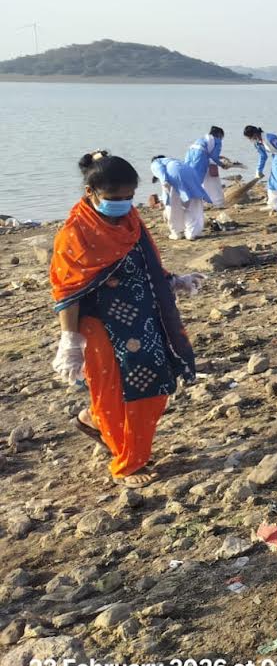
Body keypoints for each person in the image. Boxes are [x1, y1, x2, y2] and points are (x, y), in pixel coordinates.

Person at [50, 152, 203, 487]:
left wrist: (173, 281)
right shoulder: (74, 234)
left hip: (143, 320)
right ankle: (127, 463)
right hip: (101, 327)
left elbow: (145, 264)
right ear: (90, 192)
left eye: (128, 196)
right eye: (114, 198)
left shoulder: (131, 220)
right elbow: (67, 293)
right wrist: (69, 341)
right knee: (118, 393)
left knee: (156, 386)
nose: (123, 204)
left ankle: (93, 421)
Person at [150, 155, 213, 240]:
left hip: (175, 176)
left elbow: (159, 169)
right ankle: (193, 232)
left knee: (173, 206)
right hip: (191, 174)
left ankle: (177, 232)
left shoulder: (155, 162)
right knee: (194, 204)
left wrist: (164, 181)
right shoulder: (175, 161)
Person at [244, 125, 277, 214]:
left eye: (250, 137)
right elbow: (263, 156)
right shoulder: (258, 143)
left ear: (255, 134)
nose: (250, 140)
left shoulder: (270, 138)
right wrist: (259, 170)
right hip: (276, 159)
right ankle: (272, 203)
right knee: (272, 182)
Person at [185, 126, 232, 207]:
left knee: (188, 176)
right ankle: (191, 202)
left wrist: (219, 158)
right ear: (219, 134)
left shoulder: (203, 139)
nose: (221, 139)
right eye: (222, 137)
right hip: (199, 156)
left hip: (190, 153)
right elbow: (213, 157)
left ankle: (184, 198)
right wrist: (222, 165)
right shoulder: (217, 141)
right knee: (197, 180)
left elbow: (208, 153)